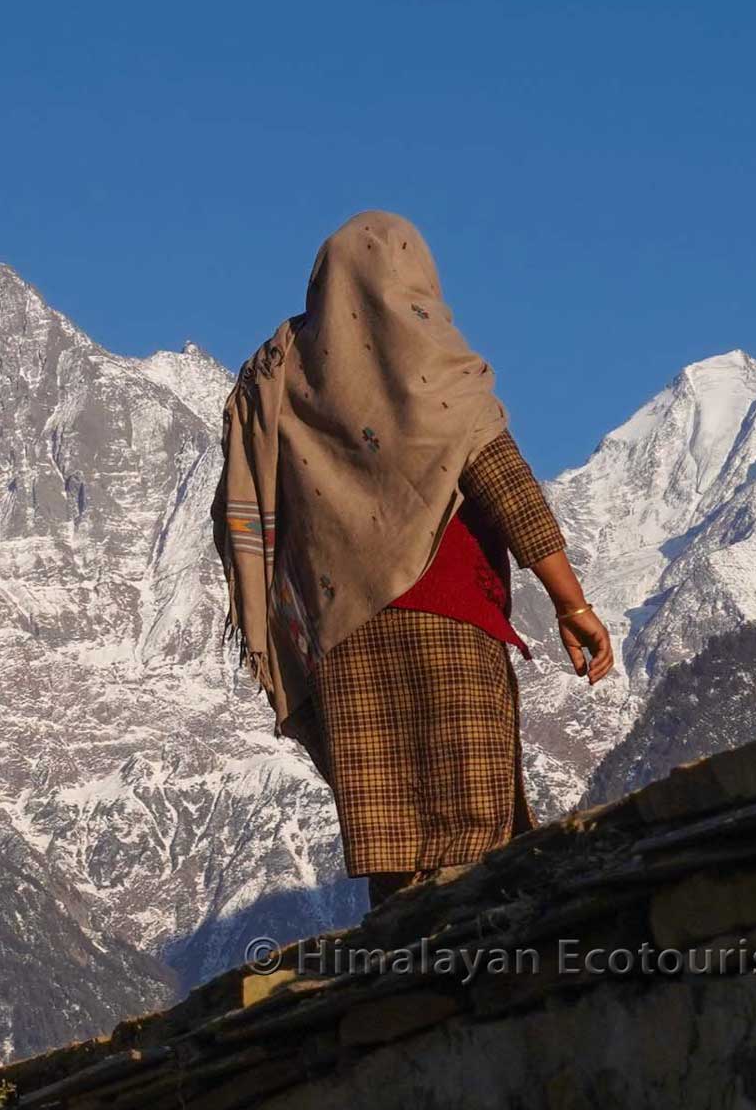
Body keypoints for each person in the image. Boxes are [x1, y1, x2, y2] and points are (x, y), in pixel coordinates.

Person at [211, 211, 614, 909]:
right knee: (480, 852)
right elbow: (507, 487)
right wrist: (571, 604)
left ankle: (404, 998)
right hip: (450, 631)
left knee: (394, 856)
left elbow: (246, 519)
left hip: (347, 646)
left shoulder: (277, 385)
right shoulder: (431, 371)